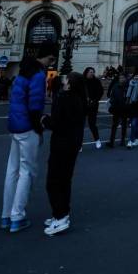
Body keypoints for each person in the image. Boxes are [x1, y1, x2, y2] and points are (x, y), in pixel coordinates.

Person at [0, 54, 47, 234]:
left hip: (15, 126)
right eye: (50, 60)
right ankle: (17, 216)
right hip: (28, 128)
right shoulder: (38, 76)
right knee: (27, 171)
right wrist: (39, 129)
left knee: (12, 170)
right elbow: (35, 106)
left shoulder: (20, 77)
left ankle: (6, 215)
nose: (50, 64)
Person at [41, 72, 87, 236]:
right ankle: (61, 214)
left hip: (62, 144)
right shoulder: (80, 99)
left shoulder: (65, 98)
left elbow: (56, 123)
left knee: (54, 181)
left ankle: (60, 217)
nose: (63, 79)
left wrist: (44, 119)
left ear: (70, 83)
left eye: (66, 78)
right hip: (72, 144)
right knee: (65, 180)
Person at [81, 67, 104, 149]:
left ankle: (97, 140)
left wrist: (95, 100)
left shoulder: (96, 81)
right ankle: (79, 143)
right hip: (83, 106)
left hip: (93, 106)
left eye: (93, 72)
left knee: (92, 124)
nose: (92, 73)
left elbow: (101, 92)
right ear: (86, 72)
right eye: (90, 72)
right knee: (80, 125)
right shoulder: (81, 81)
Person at [107, 73, 128, 147]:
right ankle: (111, 141)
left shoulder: (127, 86)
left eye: (123, 77)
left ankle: (122, 140)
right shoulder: (115, 86)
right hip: (116, 107)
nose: (121, 79)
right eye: (120, 78)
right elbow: (112, 95)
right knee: (114, 125)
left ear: (125, 78)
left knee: (124, 125)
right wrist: (112, 102)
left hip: (125, 108)